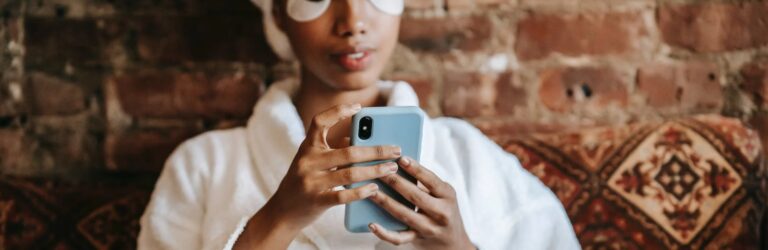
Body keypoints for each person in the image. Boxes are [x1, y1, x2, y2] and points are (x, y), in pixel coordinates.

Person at [137, 0, 580, 249]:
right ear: (276, 15)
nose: (353, 22)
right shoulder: (203, 164)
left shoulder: (470, 155)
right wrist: (276, 220)